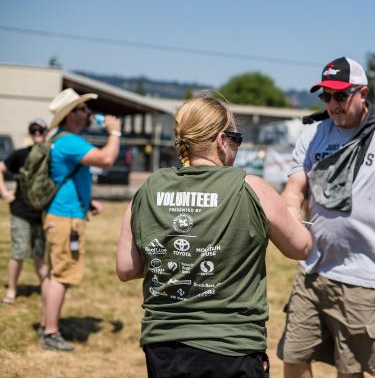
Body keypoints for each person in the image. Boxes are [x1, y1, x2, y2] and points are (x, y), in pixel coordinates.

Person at [116, 97, 312, 378]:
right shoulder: (250, 188)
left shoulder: (147, 190)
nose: (236, 147)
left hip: (163, 348)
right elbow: (301, 247)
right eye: (236, 138)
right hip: (233, 346)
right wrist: (292, 206)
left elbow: (126, 268)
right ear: (222, 140)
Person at [276, 57, 375, 378]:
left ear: (362, 93)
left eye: (340, 95)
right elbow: (294, 189)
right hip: (312, 272)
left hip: (364, 278)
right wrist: (291, 220)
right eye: (325, 96)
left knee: (351, 371)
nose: (332, 104)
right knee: (293, 356)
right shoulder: (313, 134)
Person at [40, 88, 121, 351]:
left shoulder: (60, 139)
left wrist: (87, 202)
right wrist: (115, 132)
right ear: (71, 114)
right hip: (65, 219)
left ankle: (47, 326)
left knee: (55, 274)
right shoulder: (70, 141)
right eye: (84, 109)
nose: (89, 113)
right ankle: (50, 333)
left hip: (61, 213)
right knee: (62, 275)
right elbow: (106, 159)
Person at [0, 119, 49, 305]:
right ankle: (12, 290)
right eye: (33, 130)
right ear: (30, 132)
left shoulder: (49, 156)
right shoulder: (20, 154)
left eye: (41, 130)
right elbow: (1, 168)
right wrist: (4, 193)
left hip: (40, 214)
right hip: (20, 212)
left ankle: (49, 287)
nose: (37, 133)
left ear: (46, 132)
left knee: (39, 255)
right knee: (18, 253)